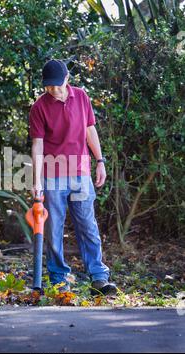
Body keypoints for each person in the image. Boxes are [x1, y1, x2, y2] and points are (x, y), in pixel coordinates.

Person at [28, 59, 117, 296]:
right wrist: (36, 181)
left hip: (80, 173)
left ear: (67, 79)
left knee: (88, 226)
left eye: (57, 85)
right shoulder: (39, 107)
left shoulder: (81, 97)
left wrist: (100, 161)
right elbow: (37, 146)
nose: (53, 90)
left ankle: (99, 277)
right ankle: (59, 280)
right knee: (54, 229)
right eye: (48, 86)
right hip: (52, 175)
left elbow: (90, 130)